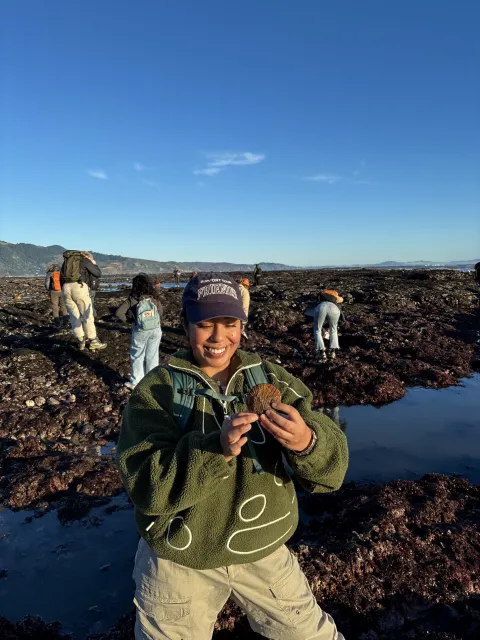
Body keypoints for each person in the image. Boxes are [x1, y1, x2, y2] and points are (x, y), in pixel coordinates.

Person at [117, 272, 348, 640]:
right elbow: (145, 486)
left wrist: (307, 440)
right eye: (204, 324)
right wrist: (214, 449)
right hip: (178, 560)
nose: (217, 337)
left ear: (242, 325)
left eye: (229, 324)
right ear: (184, 325)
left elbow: (330, 474)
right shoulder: (156, 391)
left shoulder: (271, 378)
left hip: (262, 546)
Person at [116, 273, 163, 391]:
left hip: (140, 330)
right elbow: (160, 312)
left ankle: (136, 382)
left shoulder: (132, 299)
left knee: (137, 356)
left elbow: (119, 313)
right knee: (152, 356)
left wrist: (131, 321)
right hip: (156, 329)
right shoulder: (154, 297)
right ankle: (152, 381)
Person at [60, 250, 107, 351]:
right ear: (87, 256)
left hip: (65, 288)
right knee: (87, 315)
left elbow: (61, 278)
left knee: (74, 315)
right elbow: (98, 273)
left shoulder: (67, 262)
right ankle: (93, 341)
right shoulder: (85, 260)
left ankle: (81, 340)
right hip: (79, 287)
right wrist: (94, 264)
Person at [314, 289, 345, 362]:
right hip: (334, 309)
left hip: (321, 307)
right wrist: (343, 319)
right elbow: (341, 314)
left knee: (317, 330)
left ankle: (322, 352)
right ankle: (333, 352)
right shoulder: (335, 304)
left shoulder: (320, 302)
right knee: (333, 330)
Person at [44, 263, 69, 328]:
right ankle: (65, 322)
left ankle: (57, 323)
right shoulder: (62, 273)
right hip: (62, 291)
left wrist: (48, 290)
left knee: (55, 307)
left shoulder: (49, 273)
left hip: (53, 292)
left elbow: (47, 283)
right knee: (63, 306)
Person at [82, 252, 100, 319]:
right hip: (91, 287)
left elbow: (97, 274)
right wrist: (95, 265)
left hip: (90, 287)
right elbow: (98, 274)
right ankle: (93, 317)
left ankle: (93, 317)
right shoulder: (89, 264)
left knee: (89, 304)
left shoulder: (85, 264)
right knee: (90, 303)